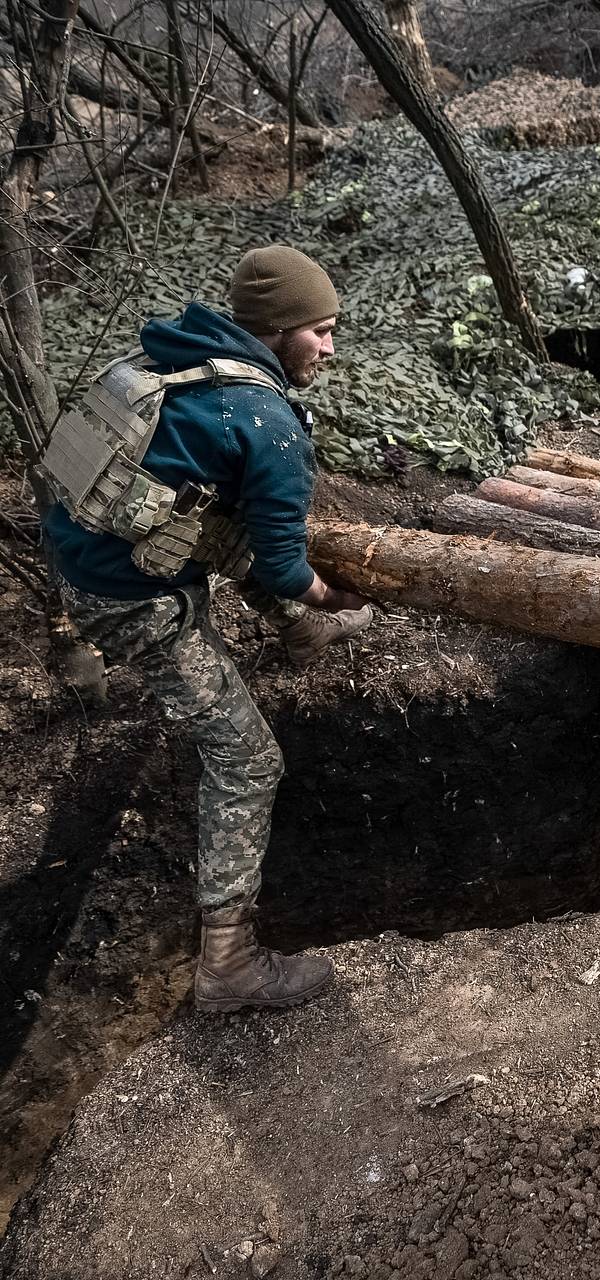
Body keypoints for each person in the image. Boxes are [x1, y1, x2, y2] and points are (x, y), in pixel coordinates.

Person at [43, 244, 373, 1012]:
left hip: (84, 552)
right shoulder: (269, 422)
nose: (329, 347)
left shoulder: (169, 358)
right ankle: (228, 965)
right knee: (249, 759)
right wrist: (333, 598)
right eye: (319, 331)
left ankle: (298, 635)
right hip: (131, 599)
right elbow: (287, 565)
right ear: (278, 329)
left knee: (226, 523)